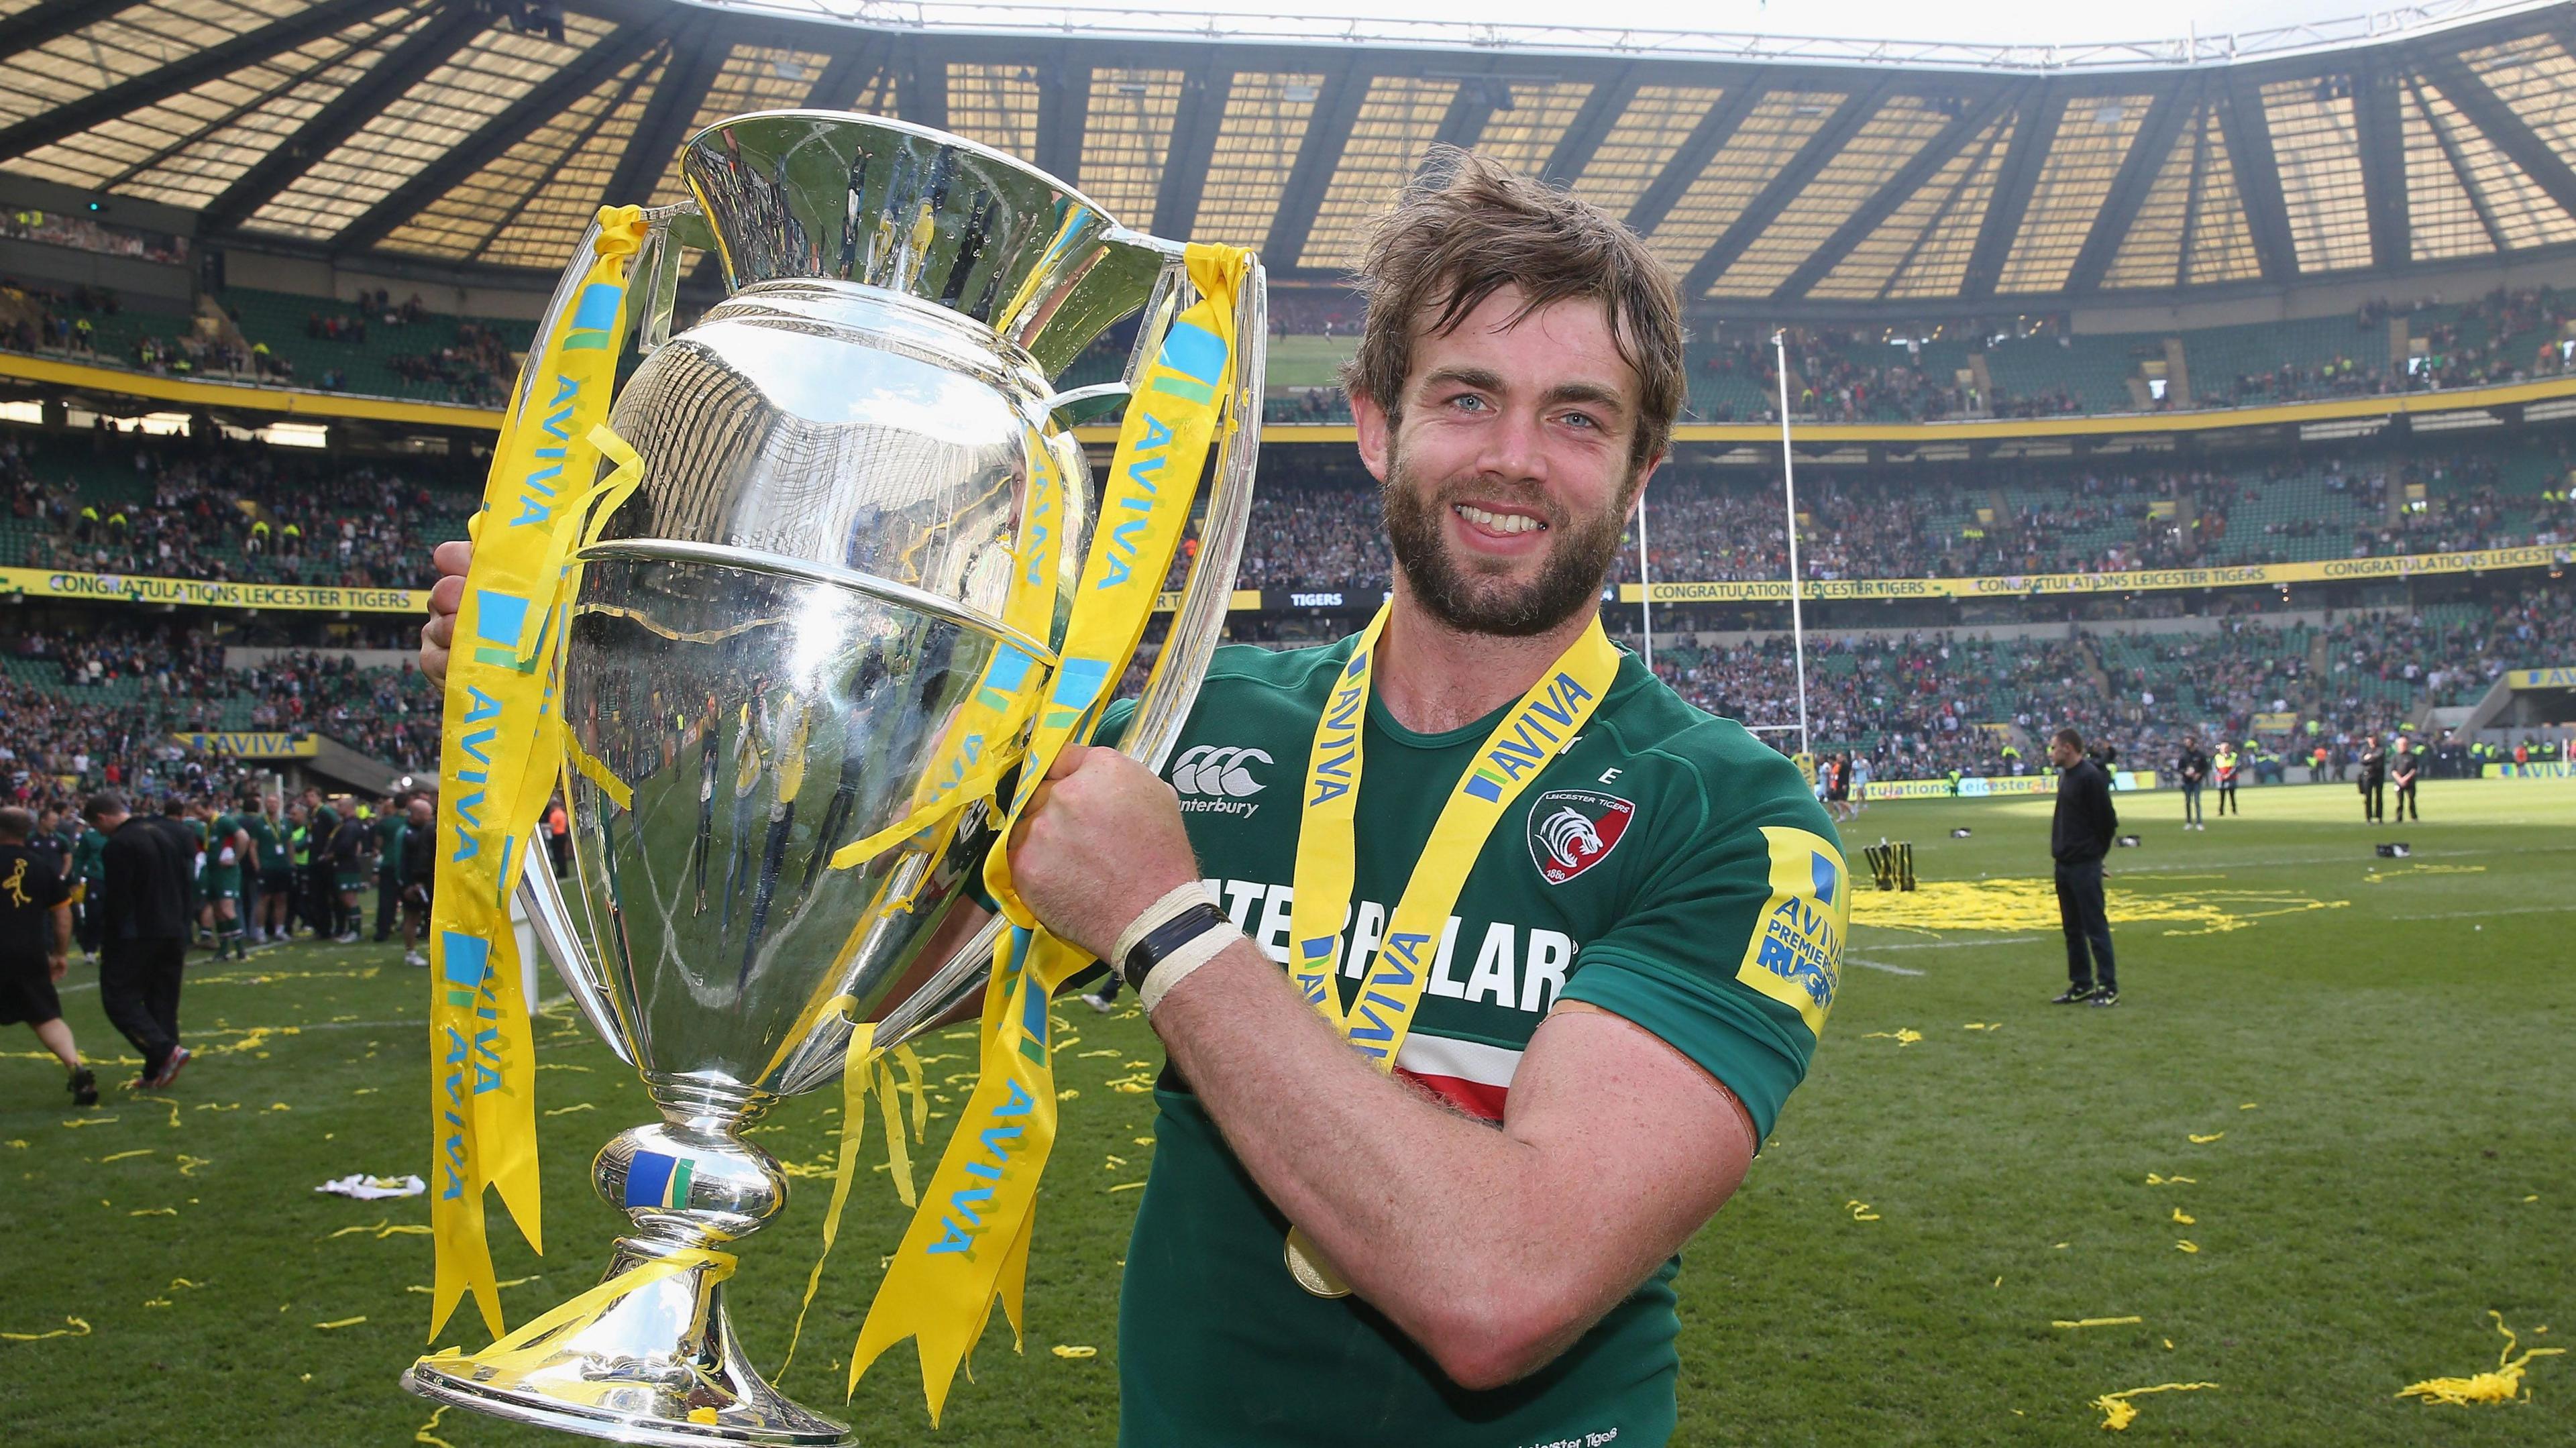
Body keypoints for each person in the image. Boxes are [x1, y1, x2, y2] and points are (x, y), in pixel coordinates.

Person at [426, 149, 1845, 1447]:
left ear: (1643, 467)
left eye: (1577, 417)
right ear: (1373, 422)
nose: (1514, 459)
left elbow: (1503, 1284)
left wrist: (1166, 921)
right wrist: (582, 678)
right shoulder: (1183, 721)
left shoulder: (1734, 819)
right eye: (1466, 396)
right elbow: (856, 947)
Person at [86, 792, 193, 1089]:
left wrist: (111, 935)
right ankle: (157, 1070)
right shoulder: (166, 833)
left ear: (103, 818)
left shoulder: (119, 845)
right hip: (173, 928)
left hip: (139, 933)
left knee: (119, 998)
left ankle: (164, 1050)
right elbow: (186, 882)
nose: (99, 832)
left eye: (96, 826)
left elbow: (120, 898)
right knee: (163, 999)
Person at [0, 806, 95, 1106]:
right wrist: (60, 954)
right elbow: (62, 915)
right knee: (45, 1017)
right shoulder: (41, 866)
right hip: (29, 951)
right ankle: (75, 1067)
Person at [2048, 728, 2118, 1007]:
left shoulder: (2090, 777)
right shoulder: (2067, 777)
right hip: (2065, 865)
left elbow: (2108, 823)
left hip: (2083, 865)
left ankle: (2108, 986)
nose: (2051, 753)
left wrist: (2095, 859)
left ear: (2067, 748)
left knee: (2095, 928)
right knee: (2072, 930)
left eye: (2054, 748)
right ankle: (2082, 984)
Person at [399, 796, 435, 968]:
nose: (429, 817)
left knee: (423, 918)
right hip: (416, 881)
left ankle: (432, 955)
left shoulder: (425, 829)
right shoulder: (405, 832)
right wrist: (407, 883)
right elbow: (400, 859)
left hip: (422, 879)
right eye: (427, 814)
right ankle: (411, 953)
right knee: (413, 917)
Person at [2176, 738, 2208, 830]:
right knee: (2188, 802)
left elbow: (2205, 767)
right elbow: (2179, 768)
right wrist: (2185, 772)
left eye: (2188, 742)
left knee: (2197, 802)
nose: (2186, 744)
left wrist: (2199, 774)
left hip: (2197, 782)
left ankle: (2199, 822)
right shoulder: (2183, 755)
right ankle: (2189, 822)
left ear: (2193, 743)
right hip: (2187, 782)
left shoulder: (2200, 755)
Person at [2391, 736, 2420, 822]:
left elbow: (2414, 769)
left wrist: (2406, 778)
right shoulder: (2395, 757)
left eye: (2405, 744)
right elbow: (2393, 770)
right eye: (2402, 744)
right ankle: (2399, 818)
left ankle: (2414, 817)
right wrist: (2400, 780)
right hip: (2398, 782)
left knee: (2411, 800)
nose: (2404, 746)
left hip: (2410, 782)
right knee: (2400, 802)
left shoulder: (2412, 756)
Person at [2359, 734, 2387, 822]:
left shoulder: (2380, 748)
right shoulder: (2365, 748)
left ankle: (2379, 817)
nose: (2371, 740)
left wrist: (2369, 757)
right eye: (2370, 738)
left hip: (2378, 774)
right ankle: (2368, 817)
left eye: (2373, 738)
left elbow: (2378, 756)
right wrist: (2369, 758)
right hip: (2368, 775)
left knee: (2379, 796)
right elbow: (2361, 760)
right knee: (2368, 797)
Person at [2211, 739, 2239, 817]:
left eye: (2226, 748)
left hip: (2231, 778)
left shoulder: (2234, 756)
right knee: (2222, 797)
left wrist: (2229, 774)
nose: (2225, 750)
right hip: (2221, 779)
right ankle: (2221, 812)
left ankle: (2234, 811)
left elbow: (2236, 766)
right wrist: (2220, 775)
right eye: (2223, 748)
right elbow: (2214, 768)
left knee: (2232, 796)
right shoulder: (2217, 757)